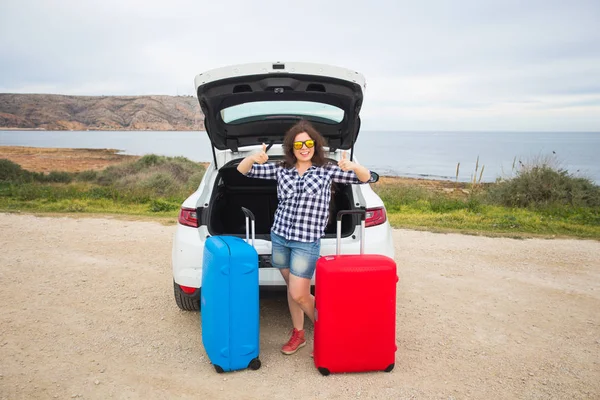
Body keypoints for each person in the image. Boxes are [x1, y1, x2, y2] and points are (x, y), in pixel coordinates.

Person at [237, 119, 374, 356]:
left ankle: (329, 331)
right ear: (291, 147)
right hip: (280, 236)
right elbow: (243, 171)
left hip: (306, 241)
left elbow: (367, 178)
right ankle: (299, 334)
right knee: (292, 289)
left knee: (300, 293)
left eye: (308, 143)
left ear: (315, 145)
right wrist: (251, 158)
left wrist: (352, 166)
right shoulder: (281, 169)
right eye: (298, 144)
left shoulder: (327, 170)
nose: (304, 147)